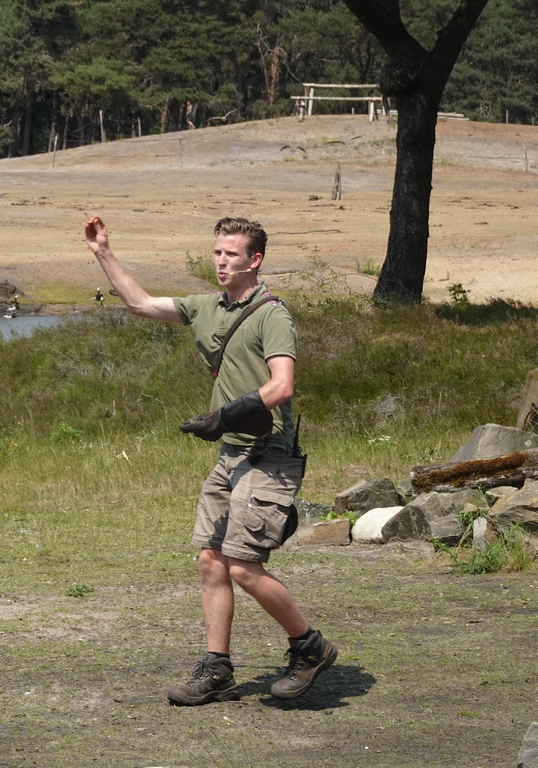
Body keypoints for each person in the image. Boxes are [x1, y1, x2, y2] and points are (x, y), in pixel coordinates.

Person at [84, 214, 337, 705]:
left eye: (231, 254)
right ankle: (217, 667)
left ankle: (310, 648)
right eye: (217, 252)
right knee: (211, 562)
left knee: (243, 566)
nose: (220, 261)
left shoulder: (272, 314)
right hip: (231, 456)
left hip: (269, 455)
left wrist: (227, 415)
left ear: (255, 260)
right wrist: (103, 253)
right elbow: (138, 303)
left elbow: (282, 386)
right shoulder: (208, 307)